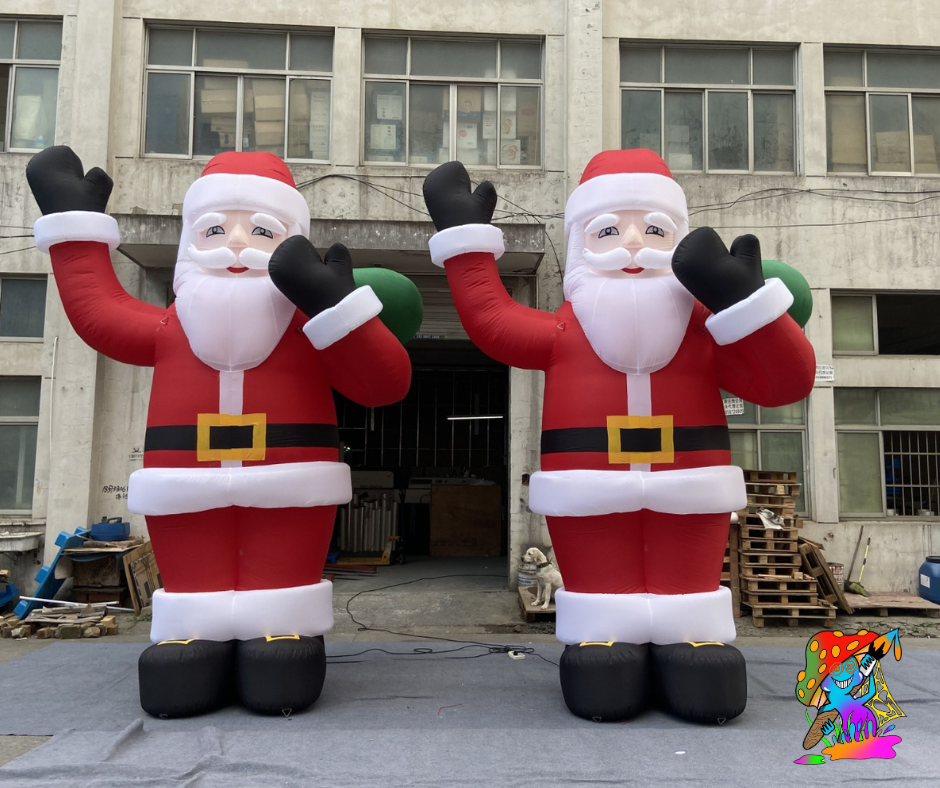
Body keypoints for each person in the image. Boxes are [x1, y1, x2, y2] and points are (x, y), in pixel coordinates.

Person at [422, 149, 816, 723]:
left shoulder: (706, 331)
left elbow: (786, 382)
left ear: (680, 239)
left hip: (691, 483)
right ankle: (604, 638)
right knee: (601, 603)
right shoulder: (564, 330)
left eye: (654, 229)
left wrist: (746, 303)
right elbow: (491, 320)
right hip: (589, 486)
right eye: (609, 231)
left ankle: (692, 640)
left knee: (689, 594)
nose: (633, 245)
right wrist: (465, 241)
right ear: (582, 243)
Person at [27, 146, 412, 717]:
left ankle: (281, 633)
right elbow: (97, 311)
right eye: (215, 229)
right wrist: (74, 230)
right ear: (190, 241)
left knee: (280, 586)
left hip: (291, 480)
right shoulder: (169, 327)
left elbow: (385, 383)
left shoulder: (310, 326)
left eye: (259, 230)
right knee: (193, 570)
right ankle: (194, 636)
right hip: (185, 480)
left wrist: (336, 304)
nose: (235, 243)